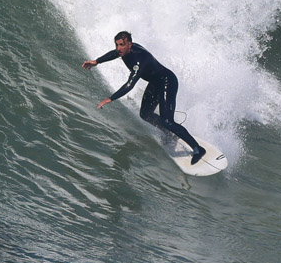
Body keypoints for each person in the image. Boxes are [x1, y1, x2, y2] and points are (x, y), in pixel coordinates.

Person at [82, 31, 207, 164]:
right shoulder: (124, 51)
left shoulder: (139, 59)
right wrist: (97, 61)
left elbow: (130, 85)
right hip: (155, 83)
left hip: (167, 82)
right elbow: (114, 53)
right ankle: (168, 133)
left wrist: (110, 98)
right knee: (145, 114)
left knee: (168, 121)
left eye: (121, 45)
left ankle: (197, 148)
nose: (118, 48)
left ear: (129, 44)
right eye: (117, 45)